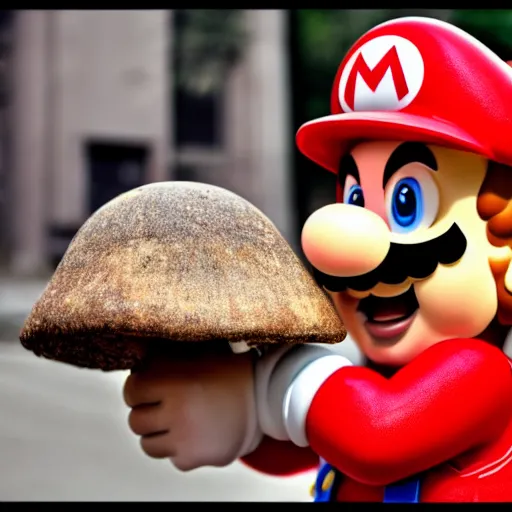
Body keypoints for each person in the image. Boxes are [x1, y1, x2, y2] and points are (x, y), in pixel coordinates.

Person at [122, 17, 512, 502]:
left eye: (406, 204)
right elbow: (310, 438)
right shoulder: (373, 373)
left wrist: (263, 388)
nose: (348, 247)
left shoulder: (481, 374)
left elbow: (377, 436)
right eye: (354, 199)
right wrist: (240, 415)